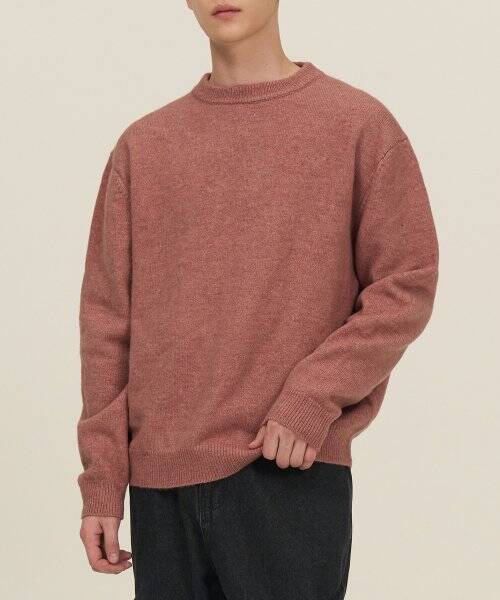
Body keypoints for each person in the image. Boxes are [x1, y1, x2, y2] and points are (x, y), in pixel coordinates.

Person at [77, 1, 439, 598]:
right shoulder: (144, 147)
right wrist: (103, 479)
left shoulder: (356, 126)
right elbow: (107, 322)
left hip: (285, 472)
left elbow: (406, 282)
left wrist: (312, 397)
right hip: (160, 486)